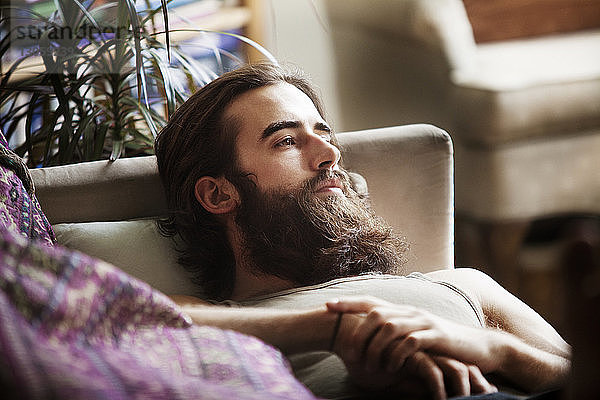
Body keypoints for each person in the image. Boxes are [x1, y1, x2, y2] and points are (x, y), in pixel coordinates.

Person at [154, 62, 570, 399]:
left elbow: (583, 378)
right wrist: (342, 330)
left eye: (322, 132)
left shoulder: (461, 284)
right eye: (285, 141)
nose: (330, 153)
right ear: (218, 194)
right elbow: (127, 326)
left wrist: (498, 351)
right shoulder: (213, 320)